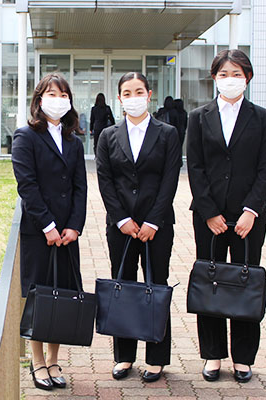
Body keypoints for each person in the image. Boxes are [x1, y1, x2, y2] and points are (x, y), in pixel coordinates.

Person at [185, 49, 266, 383]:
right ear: (214, 78)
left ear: (247, 78)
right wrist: (209, 212)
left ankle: (243, 358)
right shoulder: (199, 117)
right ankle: (212, 354)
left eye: (237, 73)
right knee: (210, 283)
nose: (230, 79)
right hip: (209, 217)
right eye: (223, 74)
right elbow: (195, 166)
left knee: (244, 284)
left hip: (249, 219)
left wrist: (251, 210)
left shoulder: (261, 117)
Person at [95, 72, 182, 383]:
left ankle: (156, 357)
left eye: (139, 91)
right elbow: (105, 179)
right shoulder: (108, 135)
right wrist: (121, 219)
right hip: (121, 226)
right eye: (127, 93)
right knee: (124, 286)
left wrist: (153, 220)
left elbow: (170, 178)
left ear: (149, 94)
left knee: (156, 286)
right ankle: (124, 356)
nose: (133, 98)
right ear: (119, 98)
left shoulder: (167, 133)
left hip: (157, 225)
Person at [11, 73, 88, 391]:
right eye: (52, 94)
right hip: (39, 232)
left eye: (63, 95)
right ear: (39, 100)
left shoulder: (74, 142)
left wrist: (74, 226)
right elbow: (27, 186)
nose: (58, 100)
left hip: (67, 234)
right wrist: (48, 226)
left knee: (63, 295)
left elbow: (80, 188)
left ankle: (54, 360)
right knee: (40, 296)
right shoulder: (26, 136)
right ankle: (37, 360)